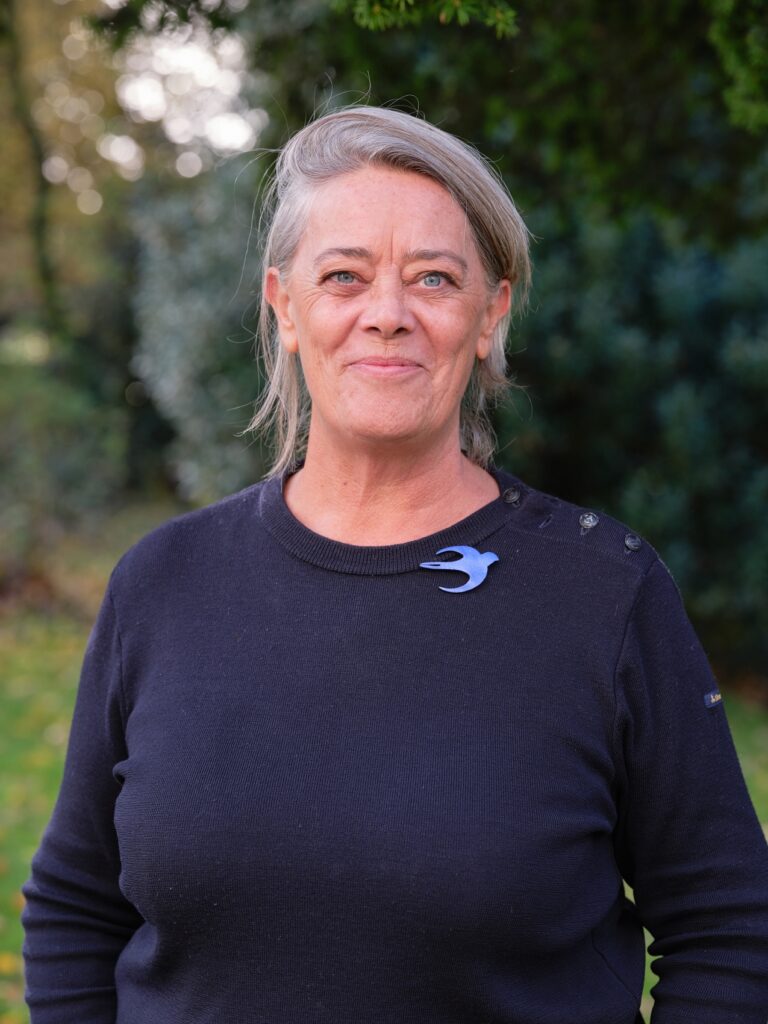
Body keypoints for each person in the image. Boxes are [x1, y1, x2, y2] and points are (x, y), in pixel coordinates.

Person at [22, 105, 768, 1024]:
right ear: (284, 307)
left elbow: (731, 930)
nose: (387, 315)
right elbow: (75, 907)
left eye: (434, 279)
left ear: (489, 314)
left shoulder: (604, 593)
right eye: (344, 276)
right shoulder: (161, 585)